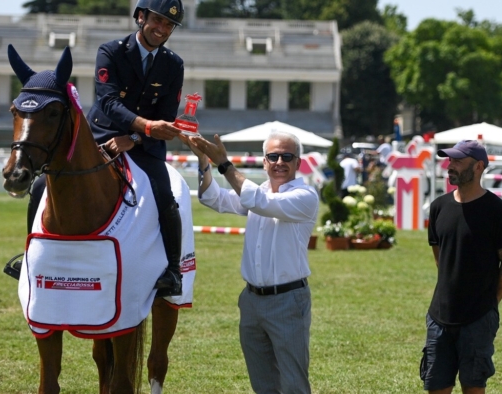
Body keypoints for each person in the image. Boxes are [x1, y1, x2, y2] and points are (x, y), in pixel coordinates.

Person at [20, 0, 186, 297]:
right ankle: (29, 256)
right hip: (101, 135)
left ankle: (173, 271)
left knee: (165, 193)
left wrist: (135, 138)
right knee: (41, 185)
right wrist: (144, 127)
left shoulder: (174, 64)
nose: (162, 29)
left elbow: (167, 116)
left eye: (169, 25)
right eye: (157, 21)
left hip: (143, 146)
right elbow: (109, 103)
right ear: (140, 16)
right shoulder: (110, 51)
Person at [183, 130, 318, 393]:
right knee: (262, 384)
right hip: (251, 300)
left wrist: (223, 163)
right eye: (273, 156)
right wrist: (203, 161)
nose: (280, 162)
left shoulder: (305, 196)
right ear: (264, 162)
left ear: (298, 163)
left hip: (288, 301)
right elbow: (213, 197)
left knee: (293, 384)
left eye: (287, 156)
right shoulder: (259, 192)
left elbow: (261, 202)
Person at [422, 140, 502, 394]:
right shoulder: (438, 208)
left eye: (457, 161)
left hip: (478, 319)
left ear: (478, 166)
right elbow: (439, 258)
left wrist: (489, 304)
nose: (449, 166)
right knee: (435, 387)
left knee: (473, 388)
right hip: (439, 317)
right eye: (449, 160)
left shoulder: (499, 212)